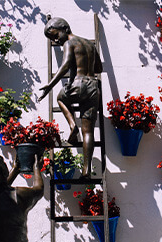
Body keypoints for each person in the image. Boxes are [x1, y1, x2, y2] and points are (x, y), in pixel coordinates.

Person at [39, 17, 103, 179]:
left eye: (55, 35)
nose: (55, 40)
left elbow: (65, 64)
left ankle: (72, 125)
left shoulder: (69, 43)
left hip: (79, 83)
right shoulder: (90, 44)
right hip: (93, 87)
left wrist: (50, 85)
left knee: (60, 98)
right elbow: (99, 68)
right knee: (88, 131)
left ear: (65, 29)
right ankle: (86, 171)